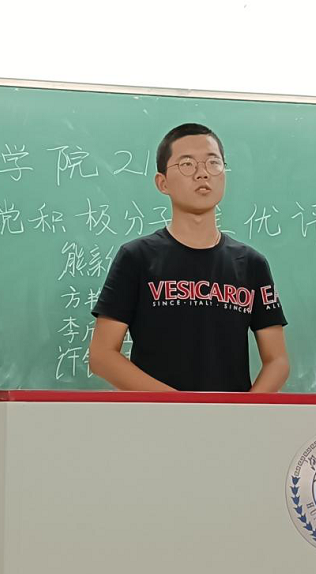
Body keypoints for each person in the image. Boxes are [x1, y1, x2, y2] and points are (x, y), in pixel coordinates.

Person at [89, 123, 289, 392]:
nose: (202, 173)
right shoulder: (136, 258)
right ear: (162, 183)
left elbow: (277, 360)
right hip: (158, 415)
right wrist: (177, 405)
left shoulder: (252, 264)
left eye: (213, 163)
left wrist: (243, 409)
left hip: (231, 416)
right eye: (187, 165)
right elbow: (102, 356)